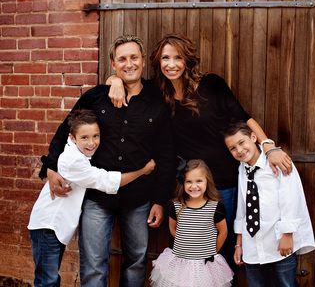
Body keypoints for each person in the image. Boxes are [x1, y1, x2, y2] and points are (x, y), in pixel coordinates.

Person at [107, 33, 293, 270]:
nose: (171, 64)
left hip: (222, 182)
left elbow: (243, 117)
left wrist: (268, 146)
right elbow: (126, 77)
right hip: (189, 185)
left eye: (178, 58)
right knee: (190, 248)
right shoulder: (157, 91)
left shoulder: (211, 84)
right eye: (165, 58)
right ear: (157, 61)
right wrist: (114, 79)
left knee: (221, 250)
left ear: (187, 61)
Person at [39, 35, 177, 287]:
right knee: (93, 264)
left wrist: (159, 200)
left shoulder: (157, 102)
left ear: (143, 61)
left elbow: (167, 155)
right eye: (122, 59)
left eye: (134, 57)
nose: (129, 64)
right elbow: (65, 130)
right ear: (113, 64)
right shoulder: (97, 97)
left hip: (138, 198)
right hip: (97, 198)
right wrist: (50, 166)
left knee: (136, 261)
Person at [28, 109, 155, 287]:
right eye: (85, 138)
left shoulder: (79, 153)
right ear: (72, 138)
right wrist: (143, 170)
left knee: (49, 279)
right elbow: (107, 181)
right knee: (46, 281)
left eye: (96, 136)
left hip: (54, 227)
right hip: (48, 226)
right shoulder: (74, 161)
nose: (92, 143)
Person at [223, 121, 315, 287]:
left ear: (253, 137)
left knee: (286, 284)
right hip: (253, 245)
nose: (239, 150)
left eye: (242, 142)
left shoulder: (278, 162)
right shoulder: (242, 169)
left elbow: (291, 199)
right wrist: (239, 243)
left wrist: (287, 234)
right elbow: (242, 208)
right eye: (233, 148)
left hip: (278, 241)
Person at [150, 159, 233, 287]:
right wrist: (185, 242)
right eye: (189, 181)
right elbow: (173, 228)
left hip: (205, 264)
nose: (194, 186)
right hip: (180, 263)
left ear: (207, 181)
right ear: (182, 183)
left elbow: (223, 232)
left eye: (199, 181)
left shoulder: (215, 207)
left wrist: (212, 251)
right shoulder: (176, 205)